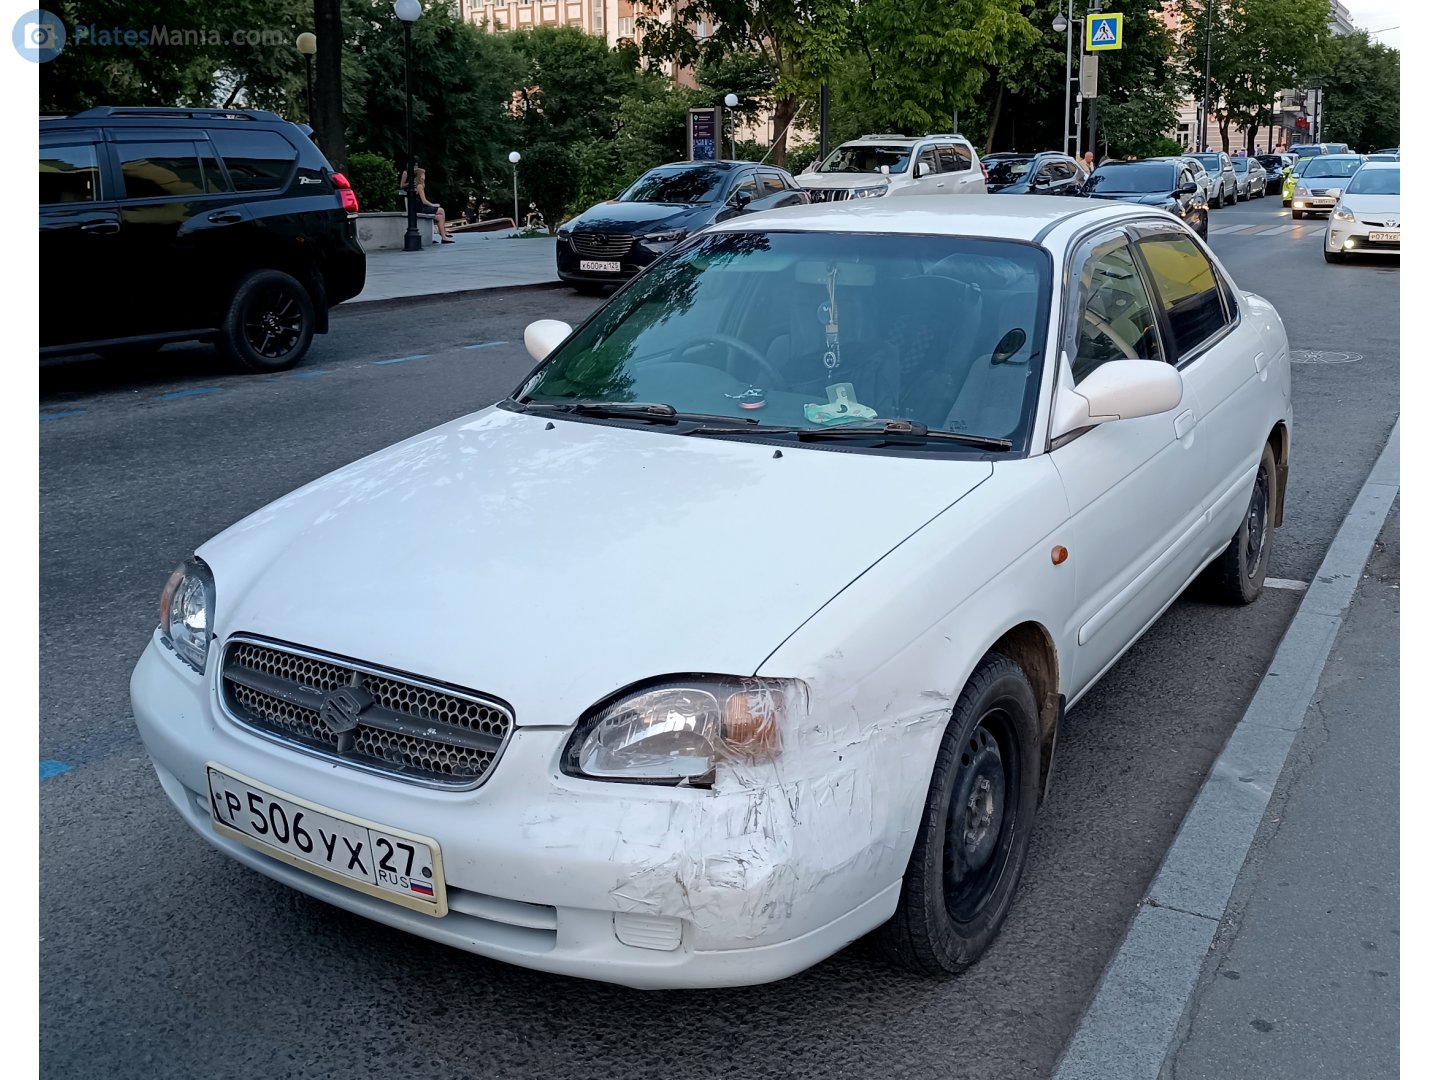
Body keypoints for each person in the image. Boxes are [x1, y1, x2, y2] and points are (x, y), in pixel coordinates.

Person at [399, 166, 453, 243]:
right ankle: (443, 233)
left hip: (419, 207)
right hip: (420, 208)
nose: (424, 176)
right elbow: (424, 201)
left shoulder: (417, 185)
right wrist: (433, 205)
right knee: (441, 210)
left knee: (440, 217)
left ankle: (443, 236)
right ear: (420, 176)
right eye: (423, 174)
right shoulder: (419, 186)